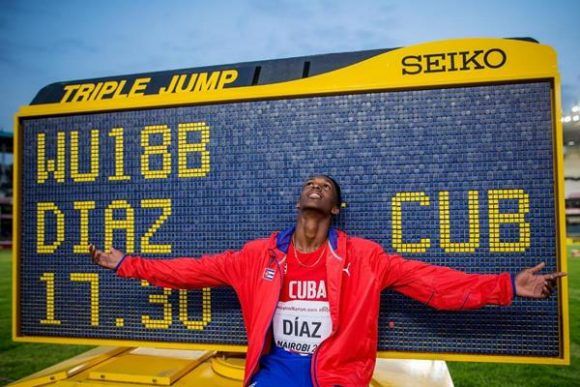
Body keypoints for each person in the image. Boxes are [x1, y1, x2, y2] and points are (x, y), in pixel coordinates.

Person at [89, 175, 566, 387]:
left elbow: (434, 285)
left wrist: (506, 286)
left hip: (336, 375)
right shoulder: (258, 256)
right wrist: (126, 263)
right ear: (300, 201)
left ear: (335, 208)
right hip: (276, 373)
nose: (315, 187)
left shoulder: (364, 257)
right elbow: (190, 271)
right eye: (309, 184)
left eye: (326, 187)